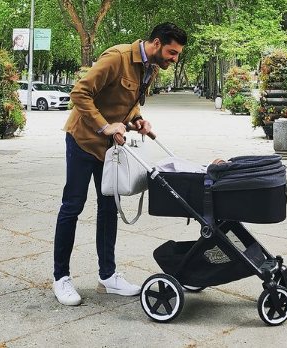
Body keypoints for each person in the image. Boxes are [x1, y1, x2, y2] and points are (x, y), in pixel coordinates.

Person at [52, 23, 187, 306]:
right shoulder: (118, 57)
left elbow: (126, 102)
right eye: (172, 53)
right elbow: (79, 93)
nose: (174, 59)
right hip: (83, 140)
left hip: (110, 146)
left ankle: (108, 276)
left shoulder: (149, 68)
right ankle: (61, 277)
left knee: (109, 208)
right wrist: (105, 127)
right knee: (72, 206)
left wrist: (136, 120)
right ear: (156, 43)